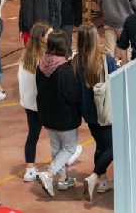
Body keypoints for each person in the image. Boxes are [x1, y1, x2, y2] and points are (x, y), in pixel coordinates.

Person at [35, 30, 82, 197]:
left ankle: (63, 179)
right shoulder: (64, 69)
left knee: (56, 147)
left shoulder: (40, 66)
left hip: (47, 115)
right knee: (69, 147)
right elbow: (73, 95)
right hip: (64, 117)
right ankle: (49, 174)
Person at [74, 23, 118, 201]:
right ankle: (94, 176)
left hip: (88, 111)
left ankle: (104, 180)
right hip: (104, 109)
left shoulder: (76, 61)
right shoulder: (104, 59)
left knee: (100, 145)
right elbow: (115, 79)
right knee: (113, 146)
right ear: (94, 39)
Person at [18, 22, 52, 182]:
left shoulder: (25, 58)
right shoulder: (44, 59)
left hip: (29, 103)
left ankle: (29, 169)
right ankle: (65, 158)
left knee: (33, 135)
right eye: (49, 34)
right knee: (58, 134)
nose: (52, 36)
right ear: (42, 38)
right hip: (43, 104)